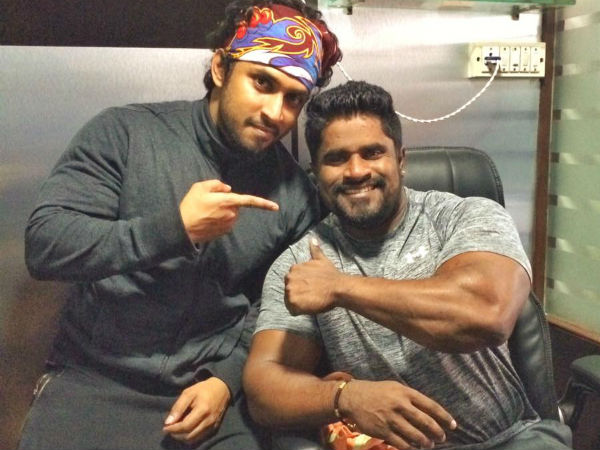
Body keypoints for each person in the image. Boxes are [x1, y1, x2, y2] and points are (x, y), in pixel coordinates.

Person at [19, 2, 341, 450]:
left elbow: (271, 305)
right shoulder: (126, 134)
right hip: (96, 380)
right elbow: (46, 245)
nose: (276, 112)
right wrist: (175, 229)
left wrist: (226, 380)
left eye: (294, 99)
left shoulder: (294, 194)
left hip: (208, 395)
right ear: (221, 68)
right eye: (263, 83)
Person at [243, 81, 573, 450]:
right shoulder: (301, 264)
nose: (356, 171)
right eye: (336, 158)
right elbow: (264, 389)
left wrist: (339, 287)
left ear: (400, 160)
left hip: (510, 439)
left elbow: (486, 313)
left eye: (372, 153)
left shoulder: (465, 216)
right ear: (316, 172)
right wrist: (345, 397)